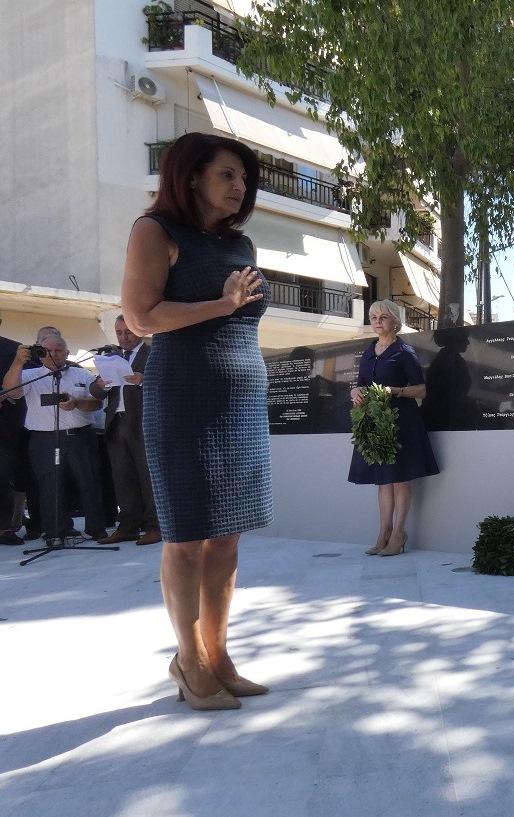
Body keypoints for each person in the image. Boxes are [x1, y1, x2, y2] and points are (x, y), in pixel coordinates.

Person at [122, 132, 272, 711]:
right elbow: (140, 316)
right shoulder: (154, 231)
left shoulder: (241, 244)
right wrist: (221, 305)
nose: (239, 187)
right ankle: (188, 660)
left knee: (227, 536)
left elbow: (243, 320)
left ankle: (218, 654)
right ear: (190, 178)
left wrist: (233, 311)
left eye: (243, 178)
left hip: (241, 402)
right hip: (182, 398)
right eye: (226, 175)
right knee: (185, 538)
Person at [348, 299, 439, 556]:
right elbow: (361, 383)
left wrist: (394, 391)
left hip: (401, 422)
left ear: (395, 321)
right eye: (374, 318)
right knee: (383, 480)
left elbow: (421, 390)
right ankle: (383, 533)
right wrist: (355, 392)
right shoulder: (369, 350)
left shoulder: (404, 352)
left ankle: (399, 534)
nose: (377, 322)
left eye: (383, 317)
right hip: (376, 422)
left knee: (399, 478)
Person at [1, 333, 110, 543]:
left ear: (67, 353)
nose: (53, 355)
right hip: (44, 440)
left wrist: (76, 403)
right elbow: (11, 391)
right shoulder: (31, 375)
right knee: (49, 487)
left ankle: (97, 529)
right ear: (39, 354)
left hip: (79, 437)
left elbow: (96, 402)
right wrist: (18, 361)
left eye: (58, 350)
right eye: (47, 351)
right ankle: (55, 530)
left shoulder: (81, 374)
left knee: (88, 483)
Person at [90, 315, 161, 545]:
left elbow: (167, 383)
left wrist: (143, 380)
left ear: (139, 330)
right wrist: (100, 385)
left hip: (142, 423)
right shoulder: (113, 358)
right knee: (122, 478)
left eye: (127, 332)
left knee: (147, 477)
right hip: (116, 423)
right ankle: (128, 526)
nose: (123, 337)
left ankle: (155, 526)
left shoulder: (153, 354)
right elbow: (94, 391)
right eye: (119, 333)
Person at [0, 309, 24, 546]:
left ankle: (4, 528)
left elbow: (19, 389)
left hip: (4, 426)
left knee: (2, 477)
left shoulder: (12, 350)